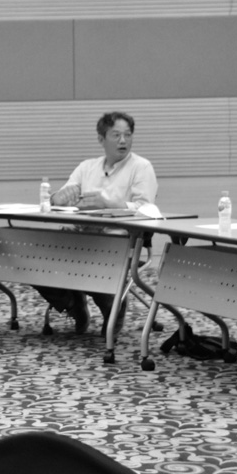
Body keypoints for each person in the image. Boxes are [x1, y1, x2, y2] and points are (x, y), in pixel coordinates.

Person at [40, 111, 158, 334]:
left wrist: (109, 204)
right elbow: (60, 198)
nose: (123, 141)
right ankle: (73, 306)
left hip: (118, 243)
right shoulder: (87, 168)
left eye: (128, 135)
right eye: (116, 135)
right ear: (101, 139)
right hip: (80, 237)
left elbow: (147, 210)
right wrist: (57, 198)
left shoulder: (141, 168)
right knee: (35, 259)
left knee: (95, 259)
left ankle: (113, 308)